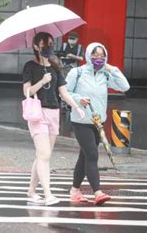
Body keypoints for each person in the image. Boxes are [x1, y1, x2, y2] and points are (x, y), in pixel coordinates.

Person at [22, 32, 84, 205]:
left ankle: (31, 191)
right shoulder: (30, 66)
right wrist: (42, 81)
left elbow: (63, 92)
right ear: (36, 46)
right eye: (44, 45)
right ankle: (48, 194)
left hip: (53, 113)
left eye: (50, 43)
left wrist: (76, 106)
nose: (48, 47)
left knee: (42, 155)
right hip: (37, 112)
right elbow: (27, 92)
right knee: (44, 154)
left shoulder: (56, 67)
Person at [66, 42, 129, 205]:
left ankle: (74, 190)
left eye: (102, 55)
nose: (98, 58)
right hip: (80, 121)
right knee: (92, 154)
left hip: (98, 123)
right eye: (95, 55)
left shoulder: (105, 75)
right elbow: (64, 93)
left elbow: (125, 86)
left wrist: (111, 68)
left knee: (85, 156)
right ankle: (98, 192)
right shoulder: (77, 72)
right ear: (88, 55)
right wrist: (79, 99)